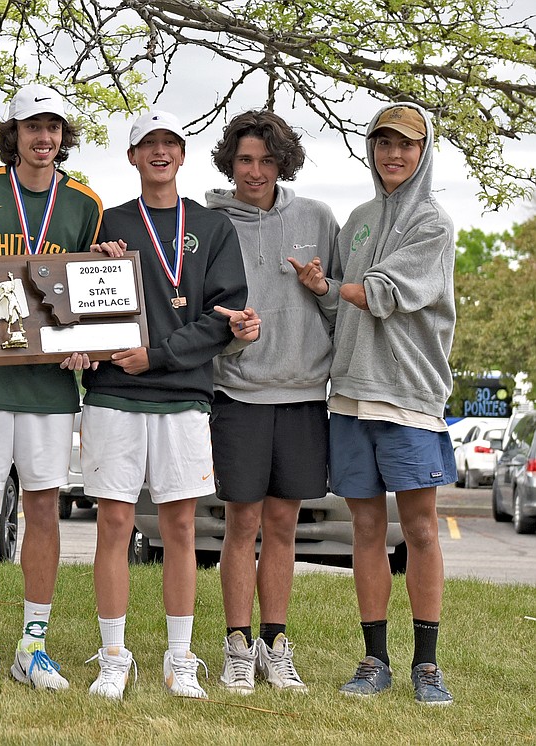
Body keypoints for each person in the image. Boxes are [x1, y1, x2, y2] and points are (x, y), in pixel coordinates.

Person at [0, 84, 103, 692]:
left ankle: (33, 645)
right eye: (33, 127)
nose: (44, 138)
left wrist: (88, 332)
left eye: (54, 128)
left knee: (43, 507)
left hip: (50, 385)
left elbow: (90, 288)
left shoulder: (83, 202)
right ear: (14, 133)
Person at [81, 111, 247, 701]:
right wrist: (99, 260)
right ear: (131, 157)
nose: (159, 152)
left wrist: (158, 355)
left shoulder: (212, 226)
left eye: (169, 144)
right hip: (114, 394)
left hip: (181, 395)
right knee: (115, 524)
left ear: (183, 155)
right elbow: (77, 303)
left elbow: (224, 320)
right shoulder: (107, 221)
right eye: (147, 144)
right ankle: (112, 656)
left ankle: (180, 658)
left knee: (180, 526)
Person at [204, 109, 340, 694]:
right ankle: (237, 644)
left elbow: (339, 305)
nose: (254, 171)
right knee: (242, 524)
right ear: (229, 164)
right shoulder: (208, 220)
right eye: (244, 160)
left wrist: (321, 288)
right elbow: (189, 303)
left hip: (304, 391)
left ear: (283, 162)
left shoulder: (317, 218)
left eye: (265, 159)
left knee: (283, 524)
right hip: (237, 390)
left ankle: (275, 644)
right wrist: (227, 328)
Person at [328, 103, 456, 706]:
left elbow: (380, 294)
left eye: (405, 145)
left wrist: (325, 286)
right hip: (350, 394)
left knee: (422, 530)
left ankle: (426, 665)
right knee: (365, 529)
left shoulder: (433, 221)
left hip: (408, 396)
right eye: (382, 143)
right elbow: (333, 308)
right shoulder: (355, 219)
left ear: (423, 151)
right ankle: (374, 659)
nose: (392, 155)